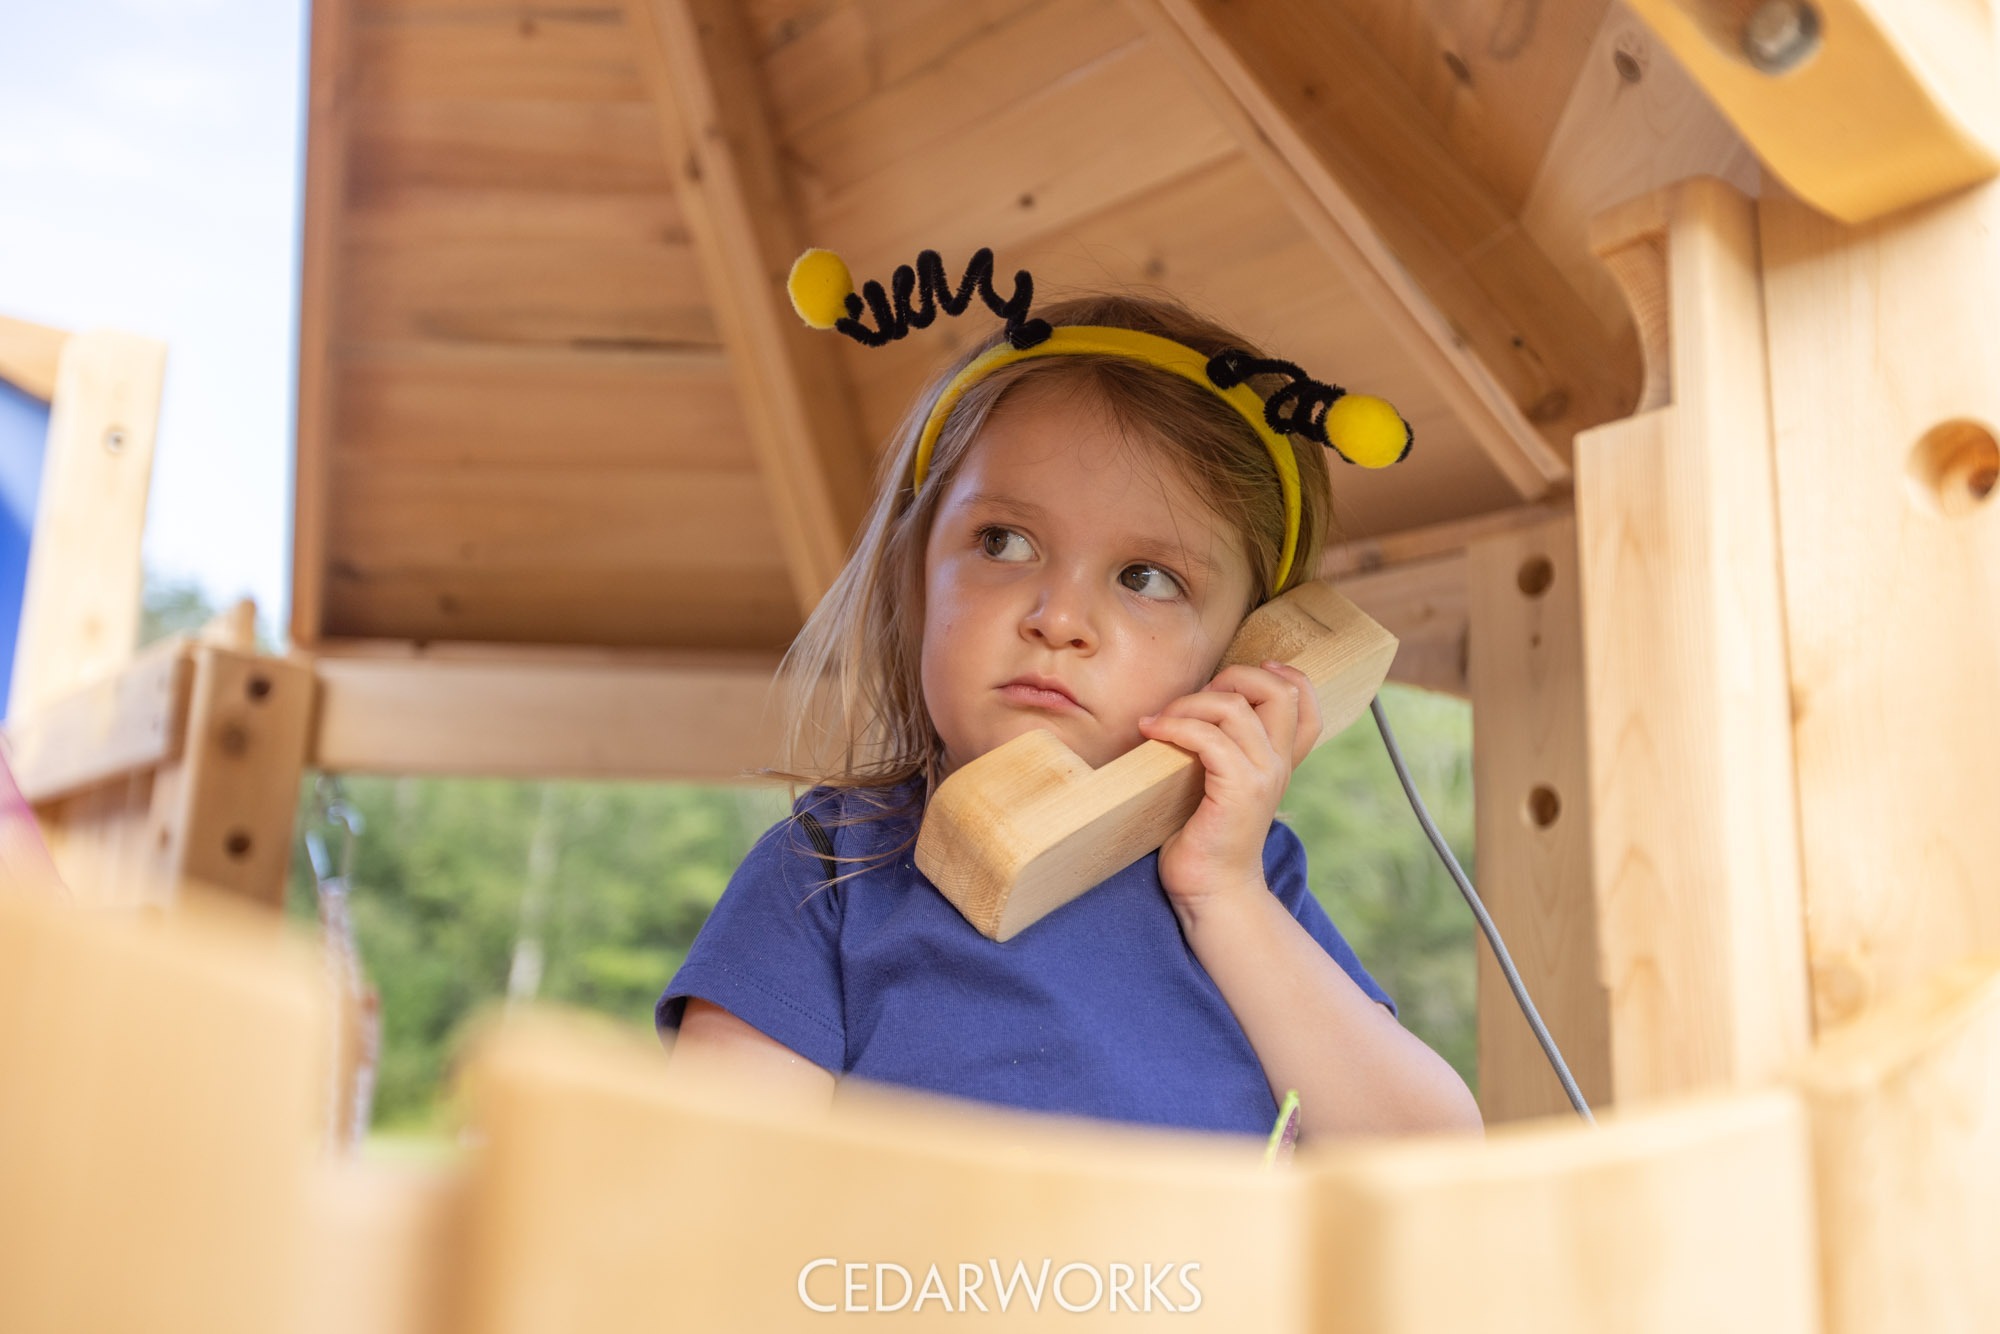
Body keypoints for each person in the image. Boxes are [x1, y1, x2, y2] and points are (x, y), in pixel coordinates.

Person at [656, 264, 1482, 1144]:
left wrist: (1225, 897)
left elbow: (1432, 1161)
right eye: (1002, 542)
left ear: (1247, 652)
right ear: (915, 578)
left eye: (1146, 578)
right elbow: (713, 1193)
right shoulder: (830, 871)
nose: (1057, 619)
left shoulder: (1249, 882)